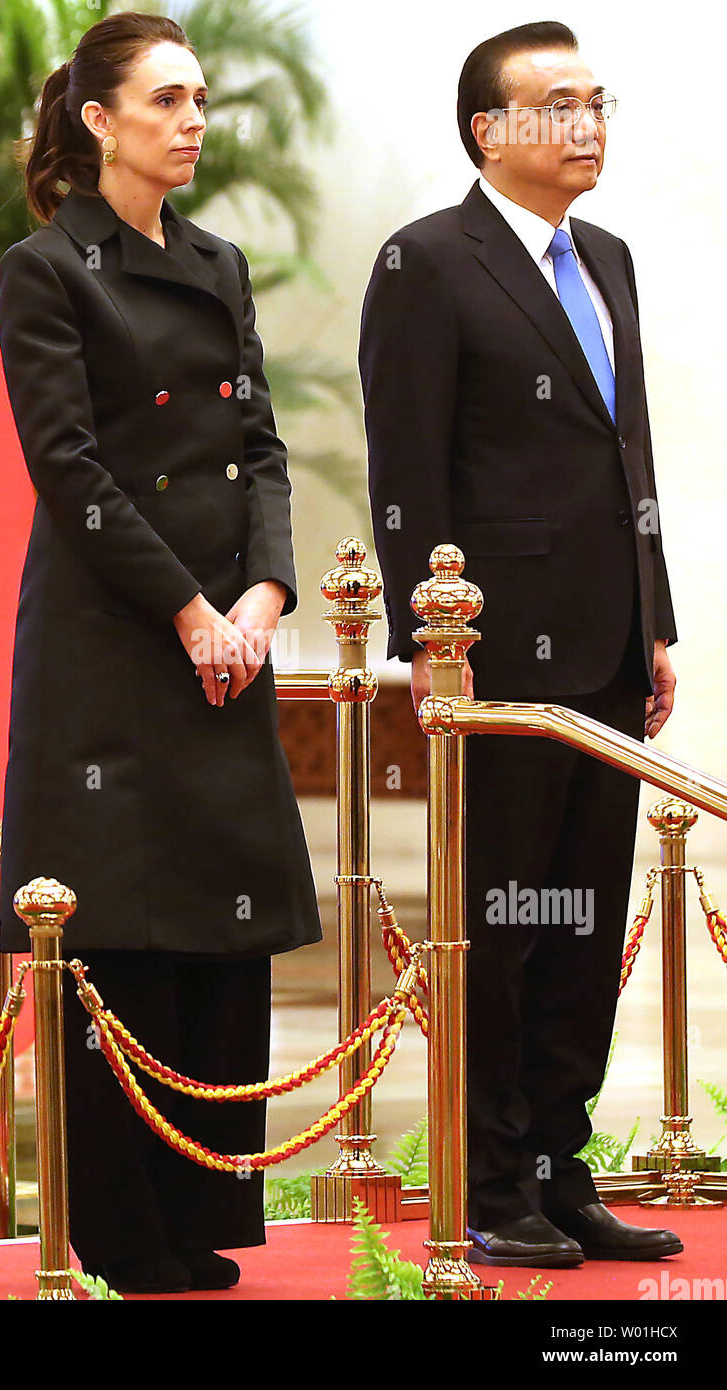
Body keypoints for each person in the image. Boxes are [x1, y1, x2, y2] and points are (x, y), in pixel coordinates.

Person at [0, 11, 321, 1294]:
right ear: (98, 118)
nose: (193, 120)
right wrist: (190, 609)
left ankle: (200, 1215)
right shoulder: (45, 269)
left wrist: (265, 594)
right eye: (169, 99)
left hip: (227, 642)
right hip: (113, 649)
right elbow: (67, 468)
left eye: (201, 99)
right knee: (119, 934)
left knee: (214, 925)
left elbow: (265, 454)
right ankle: (121, 1232)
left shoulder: (220, 262)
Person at [359, 21, 683, 1267]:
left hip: (606, 652)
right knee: (499, 924)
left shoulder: (607, 257)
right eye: (556, 105)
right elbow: (409, 466)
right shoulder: (427, 263)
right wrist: (436, 650)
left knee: (583, 920)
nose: (587, 123)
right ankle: (493, 1184)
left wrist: (654, 619)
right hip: (496, 661)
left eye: (596, 100)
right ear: (487, 130)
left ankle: (561, 1166)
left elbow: (627, 454)